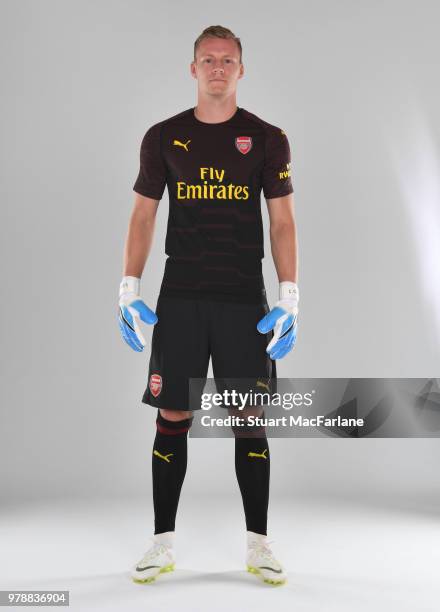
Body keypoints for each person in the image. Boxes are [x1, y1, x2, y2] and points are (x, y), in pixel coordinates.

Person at [118, 25, 299, 586]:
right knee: (173, 415)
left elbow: (283, 219)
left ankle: (259, 545)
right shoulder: (163, 137)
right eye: (207, 60)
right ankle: (161, 543)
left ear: (241, 70)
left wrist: (290, 297)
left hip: (245, 298)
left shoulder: (267, 138)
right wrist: (129, 288)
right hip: (181, 299)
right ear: (192, 69)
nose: (217, 68)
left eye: (227, 60)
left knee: (250, 418)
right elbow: (144, 215)